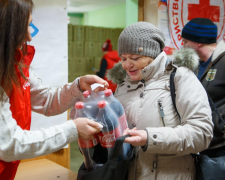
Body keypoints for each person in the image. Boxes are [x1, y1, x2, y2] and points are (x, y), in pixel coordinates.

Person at [0, 0, 108, 179]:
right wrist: (72, 129)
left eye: (30, 25)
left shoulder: (15, 64)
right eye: (24, 27)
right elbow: (10, 144)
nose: (29, 37)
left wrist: (78, 86)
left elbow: (47, 100)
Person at [107, 22, 213, 179]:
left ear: (153, 55)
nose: (127, 65)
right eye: (123, 58)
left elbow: (201, 133)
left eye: (135, 58)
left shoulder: (180, 78)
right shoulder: (123, 84)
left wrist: (150, 138)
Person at [182, 18, 225, 157]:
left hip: (220, 145)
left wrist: (219, 123)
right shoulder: (192, 64)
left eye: (186, 42)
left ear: (198, 42)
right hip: (197, 142)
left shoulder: (223, 61)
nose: (183, 46)